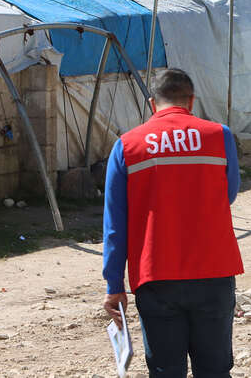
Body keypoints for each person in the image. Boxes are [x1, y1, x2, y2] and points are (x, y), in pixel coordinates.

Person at [102, 68, 242, 378]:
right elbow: (228, 195)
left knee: (166, 371)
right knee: (215, 370)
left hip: (156, 276)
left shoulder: (127, 145)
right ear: (191, 101)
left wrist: (114, 286)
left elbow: (115, 224)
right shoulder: (220, 136)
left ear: (153, 103)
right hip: (214, 271)